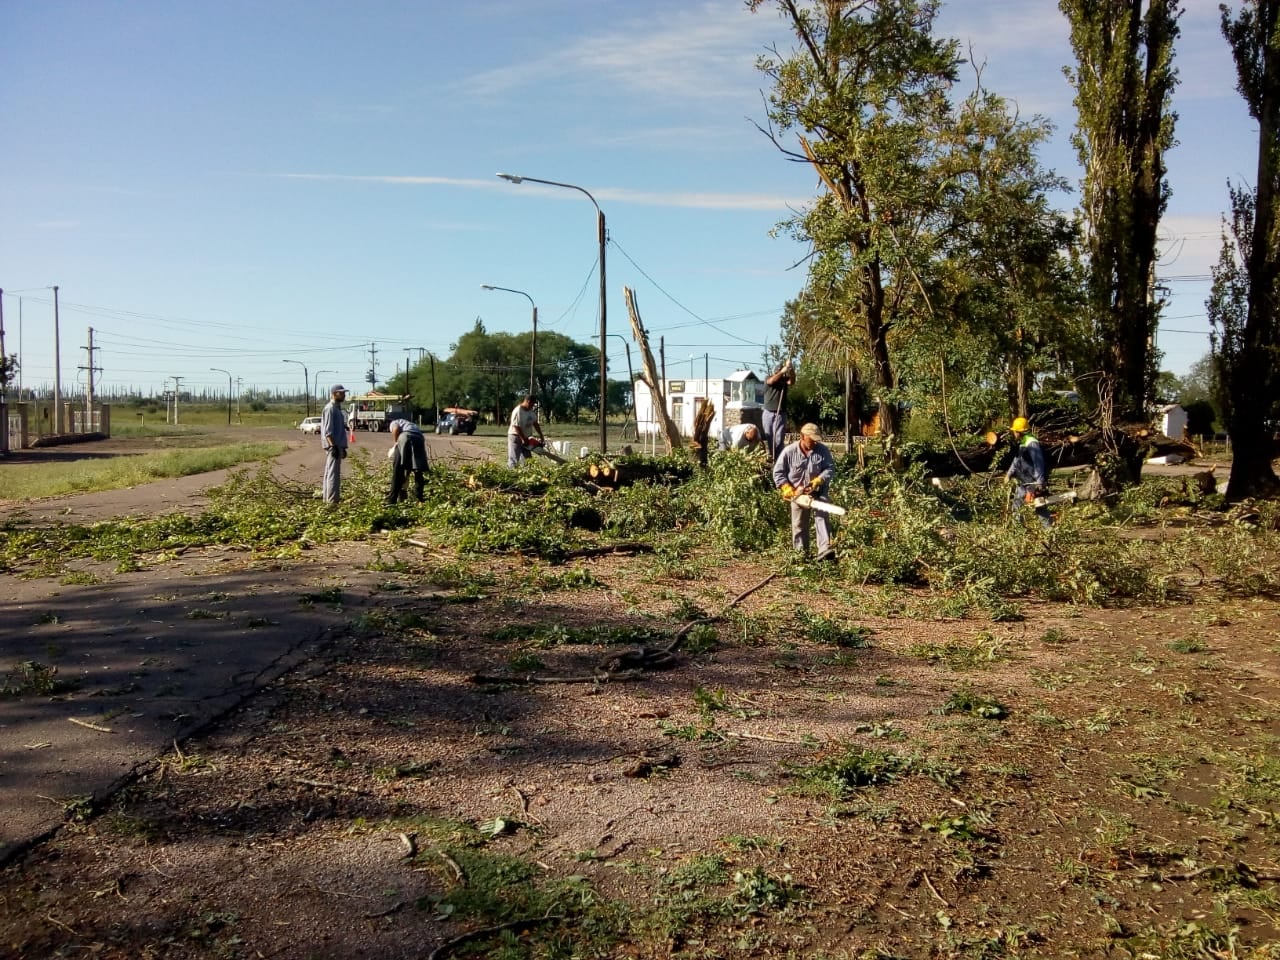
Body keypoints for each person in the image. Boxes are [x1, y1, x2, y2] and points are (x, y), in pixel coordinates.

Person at [773, 422, 837, 561]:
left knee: (822, 515)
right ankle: (801, 554)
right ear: (802, 436)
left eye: (816, 439)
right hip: (797, 493)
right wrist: (786, 488)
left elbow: (830, 468)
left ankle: (824, 549)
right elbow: (778, 472)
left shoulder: (822, 450)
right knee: (799, 524)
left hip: (817, 492)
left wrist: (819, 480)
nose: (814, 442)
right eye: (811, 439)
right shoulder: (789, 452)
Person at [1006, 416, 1051, 527]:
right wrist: (1009, 473)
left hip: (1032, 482)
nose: (1014, 434)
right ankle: (1019, 534)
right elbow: (1017, 460)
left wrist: (1039, 482)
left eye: (1014, 432)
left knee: (1040, 508)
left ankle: (1049, 532)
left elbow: (1038, 463)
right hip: (1024, 481)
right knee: (1017, 507)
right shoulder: (1023, 442)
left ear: (1019, 432)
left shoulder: (1032, 443)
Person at [387, 418, 429, 503]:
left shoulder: (393, 423)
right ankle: (419, 499)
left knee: (397, 470)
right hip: (419, 438)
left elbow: (396, 429)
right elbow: (410, 464)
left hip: (405, 437)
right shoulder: (411, 424)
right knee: (418, 471)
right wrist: (406, 476)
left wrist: (396, 443)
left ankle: (392, 500)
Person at [320, 384, 349, 504]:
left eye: (343, 392)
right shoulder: (330, 408)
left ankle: (328, 500)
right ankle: (332, 502)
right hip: (334, 446)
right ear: (334, 393)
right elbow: (328, 431)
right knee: (333, 475)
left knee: (330, 473)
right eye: (340, 393)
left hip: (337, 445)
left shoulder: (337, 408)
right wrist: (334, 446)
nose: (343, 395)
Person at [762, 360, 795, 460]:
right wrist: (782, 372)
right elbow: (771, 381)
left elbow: (792, 381)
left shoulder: (784, 380)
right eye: (779, 371)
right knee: (769, 437)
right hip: (768, 413)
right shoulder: (768, 378)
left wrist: (791, 369)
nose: (781, 374)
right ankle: (772, 457)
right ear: (775, 372)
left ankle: (778, 459)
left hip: (780, 413)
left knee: (779, 439)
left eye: (782, 372)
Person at [507, 395, 545, 468]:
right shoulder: (518, 410)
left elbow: (535, 423)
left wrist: (541, 436)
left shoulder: (530, 411)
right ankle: (511, 475)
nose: (532, 406)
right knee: (514, 458)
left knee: (528, 459)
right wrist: (523, 439)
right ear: (528, 401)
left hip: (526, 438)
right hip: (515, 437)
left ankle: (527, 475)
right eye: (532, 404)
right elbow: (516, 426)